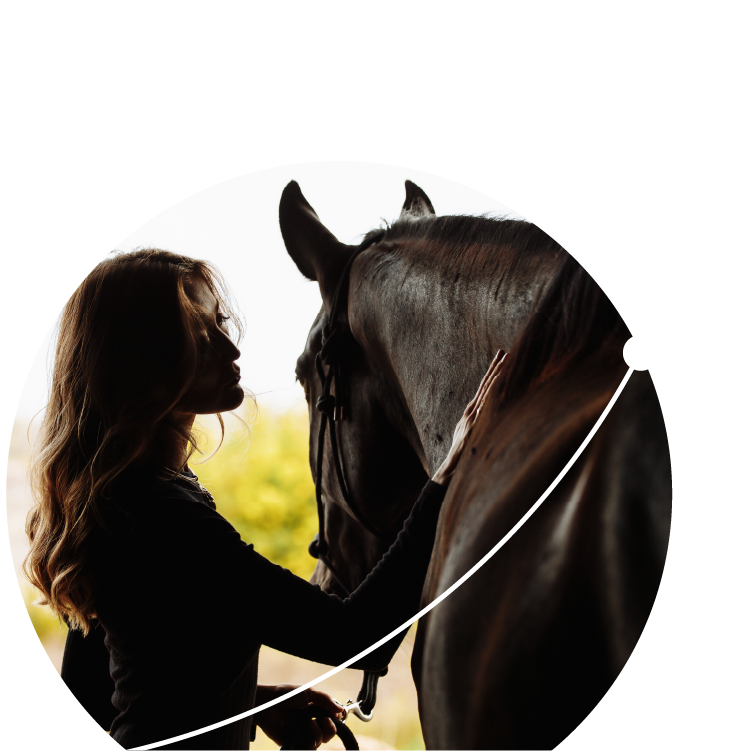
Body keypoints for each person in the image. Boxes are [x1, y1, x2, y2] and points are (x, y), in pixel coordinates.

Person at [23, 248, 504, 751]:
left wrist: (252, 707)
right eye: (199, 335)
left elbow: (99, 695)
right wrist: (448, 475)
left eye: (221, 324)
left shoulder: (121, 500)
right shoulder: (166, 518)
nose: (230, 350)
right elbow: (356, 635)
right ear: (142, 361)